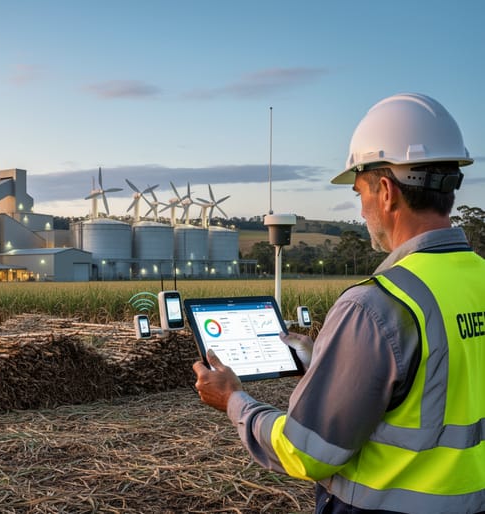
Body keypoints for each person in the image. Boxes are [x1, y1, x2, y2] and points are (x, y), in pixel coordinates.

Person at [192, 92, 485, 514]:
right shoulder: (476, 279)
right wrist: (328, 361)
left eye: (359, 191)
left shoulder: (376, 306)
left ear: (385, 192)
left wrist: (234, 400)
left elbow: (305, 451)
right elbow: (439, 382)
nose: (362, 207)